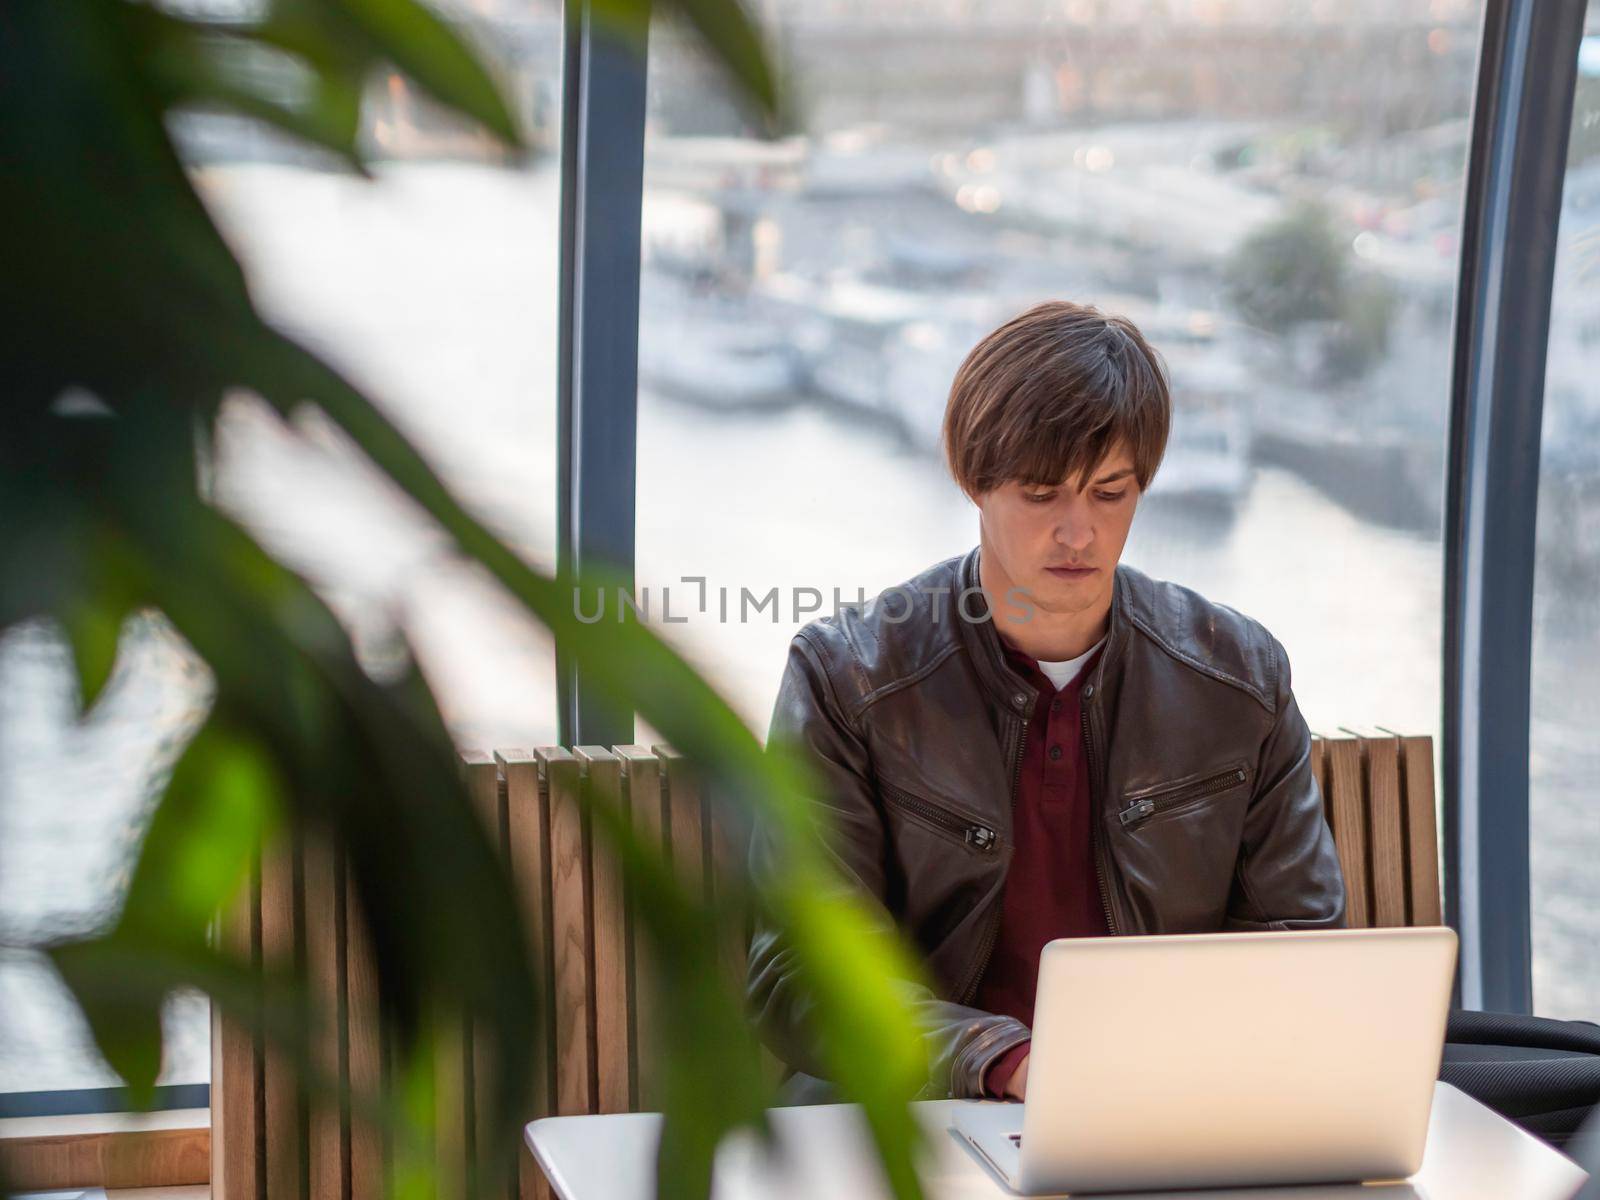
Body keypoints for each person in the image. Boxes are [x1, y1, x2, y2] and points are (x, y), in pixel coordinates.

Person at [746, 299, 1347, 1105]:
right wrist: (1007, 1061)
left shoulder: (1240, 676)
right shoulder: (849, 676)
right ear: (975, 482)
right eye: (1041, 494)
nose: (1079, 533)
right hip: (914, 1109)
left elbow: (1301, 947)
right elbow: (799, 974)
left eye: (1109, 493)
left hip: (1161, 1106)